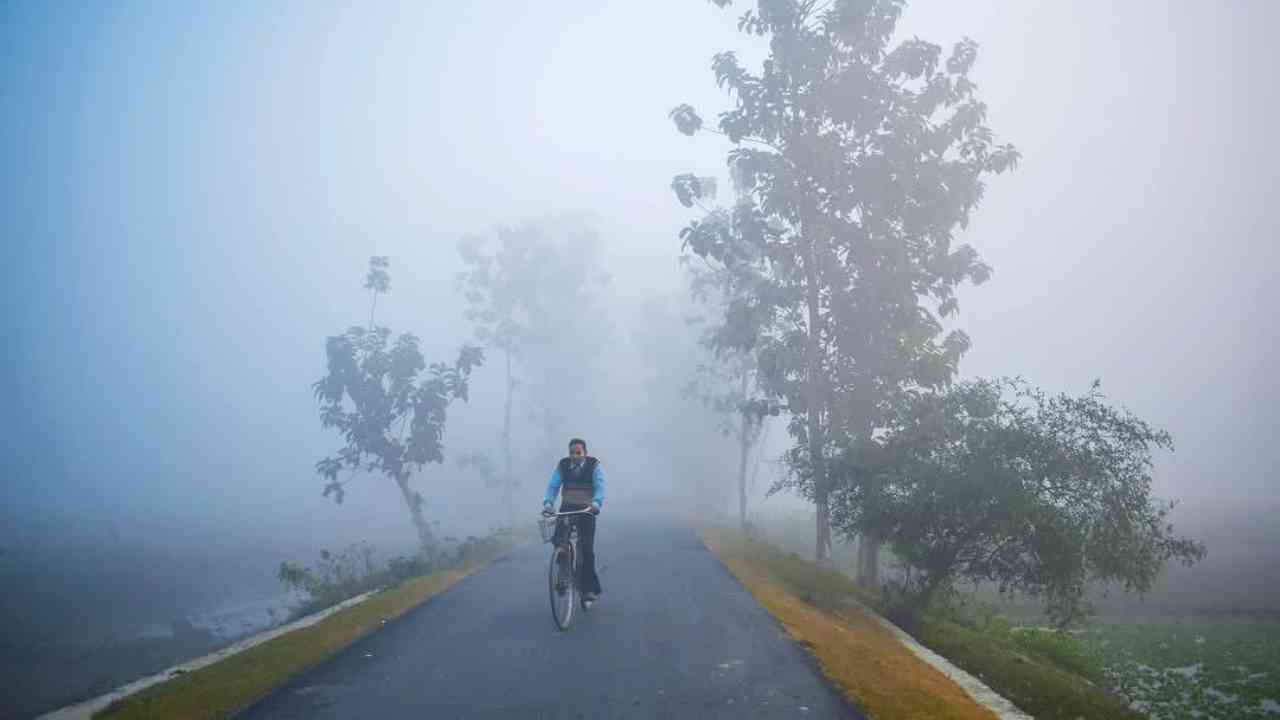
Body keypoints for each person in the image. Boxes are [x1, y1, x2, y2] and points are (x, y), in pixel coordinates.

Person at [542, 437, 605, 605]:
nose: (575, 456)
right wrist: (548, 503)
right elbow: (553, 486)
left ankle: (587, 589)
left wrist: (596, 503)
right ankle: (564, 573)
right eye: (572, 453)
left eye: (578, 452)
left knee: (586, 549)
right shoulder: (563, 466)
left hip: (587, 510)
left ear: (585, 453)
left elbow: (600, 487)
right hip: (567, 508)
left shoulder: (594, 466)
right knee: (559, 540)